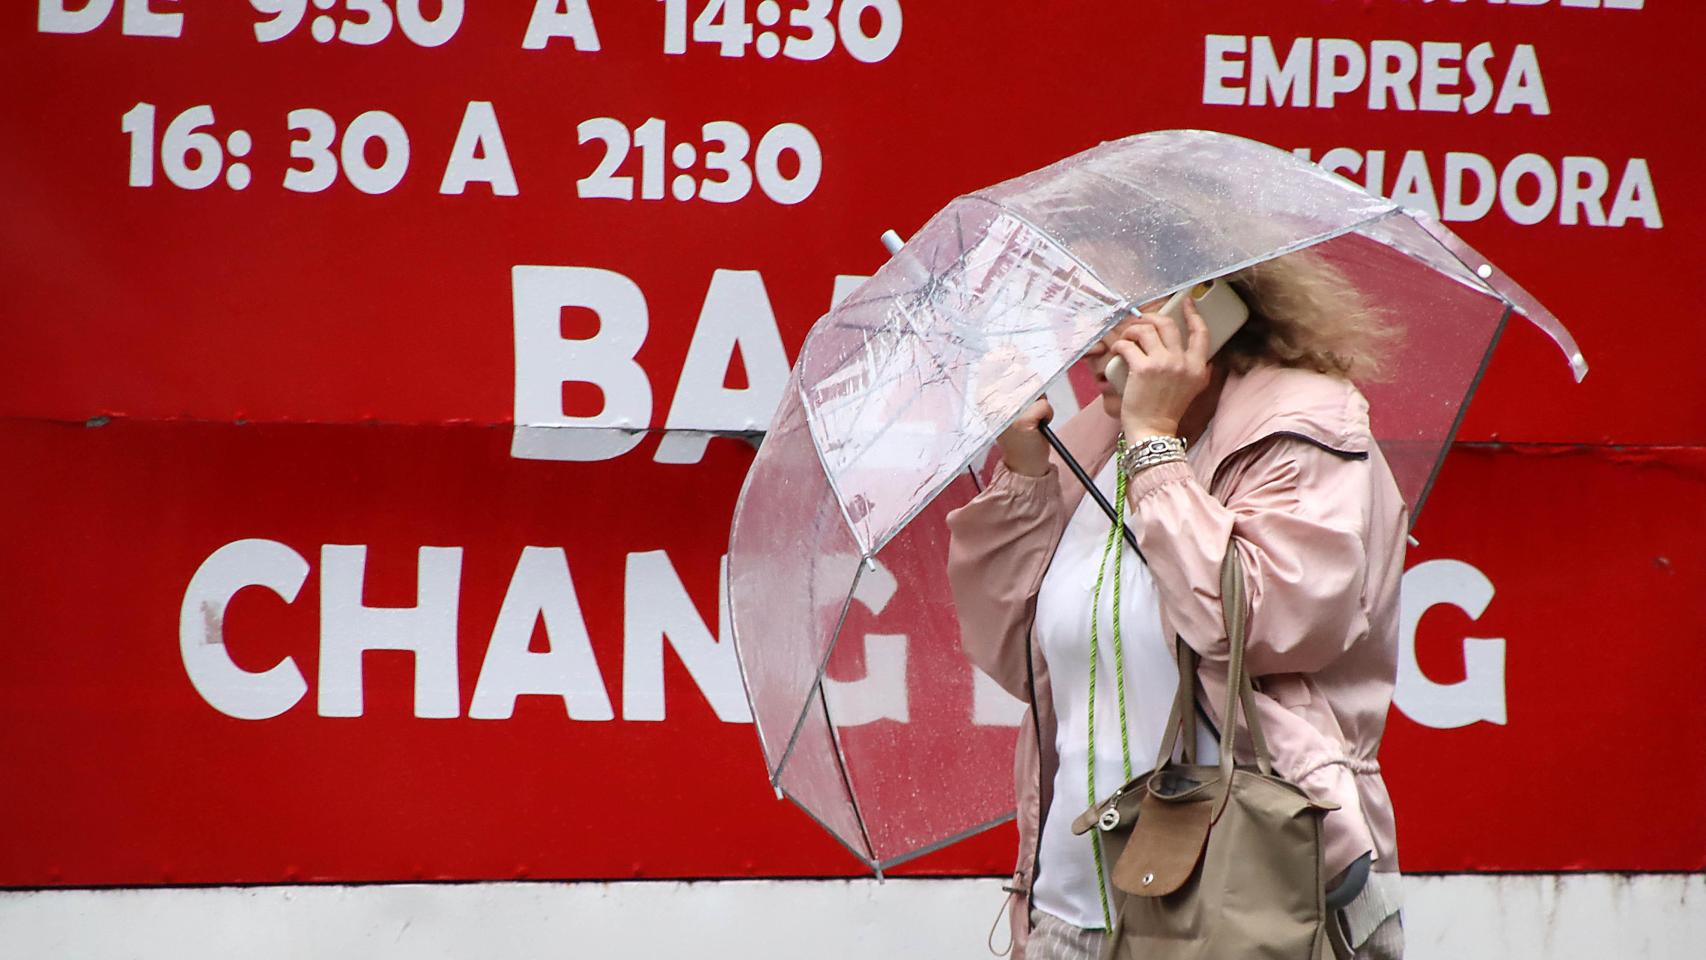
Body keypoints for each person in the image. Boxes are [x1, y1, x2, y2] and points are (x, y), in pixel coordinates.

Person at [945, 251, 1408, 960]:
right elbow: (1021, 661)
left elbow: (1260, 625)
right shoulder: (1089, 447)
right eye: (1087, 317)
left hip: (1246, 902)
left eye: (1121, 313)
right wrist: (1024, 470)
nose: (1094, 343)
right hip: (1074, 913)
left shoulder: (1304, 425)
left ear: (1211, 305)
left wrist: (1157, 445)